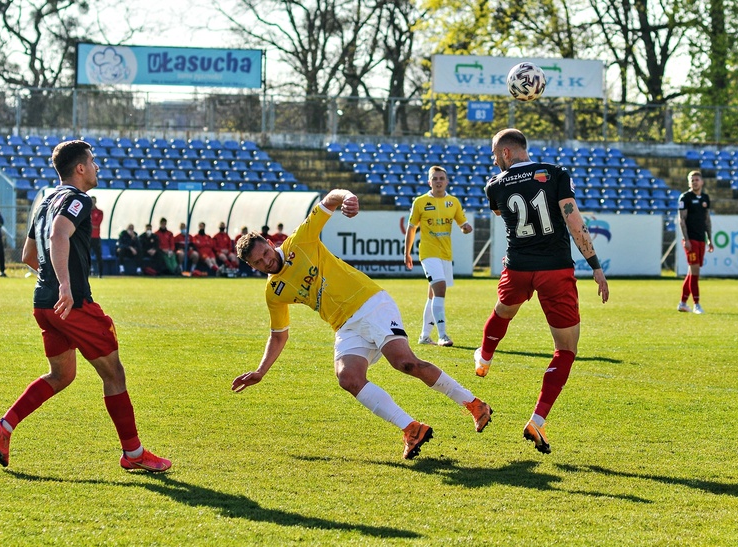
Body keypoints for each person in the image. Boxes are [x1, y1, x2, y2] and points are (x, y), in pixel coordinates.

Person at [232, 189, 492, 460]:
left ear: (270, 242)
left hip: (370, 303)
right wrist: (261, 371)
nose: (266, 261)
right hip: (344, 325)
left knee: (405, 363)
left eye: (265, 253)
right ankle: (412, 428)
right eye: (258, 262)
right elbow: (278, 336)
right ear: (252, 266)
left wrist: (347, 197)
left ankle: (474, 404)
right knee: (348, 378)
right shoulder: (274, 291)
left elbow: (330, 198)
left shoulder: (300, 241)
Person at [0, 139, 170, 472]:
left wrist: (55, 285)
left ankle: (5, 427)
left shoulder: (44, 201)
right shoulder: (78, 198)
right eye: (93, 161)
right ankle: (134, 454)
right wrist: (66, 286)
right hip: (72, 304)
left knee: (62, 374)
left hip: (44, 303)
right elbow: (59, 235)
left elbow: (28, 255)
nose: (97, 167)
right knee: (114, 374)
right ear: (80, 168)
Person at [476, 128, 609, 455]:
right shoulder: (555, 173)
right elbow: (574, 221)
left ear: (506, 153)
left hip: (518, 267)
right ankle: (537, 419)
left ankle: (484, 357)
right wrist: (595, 264)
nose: (494, 161)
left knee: (503, 312)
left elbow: (503, 215)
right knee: (566, 349)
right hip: (555, 270)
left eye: (495, 155)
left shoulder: (494, 185)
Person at [404, 166, 473, 347]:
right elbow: (411, 228)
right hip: (428, 252)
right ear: (429, 182)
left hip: (445, 254)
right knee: (440, 288)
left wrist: (466, 228)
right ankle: (443, 335)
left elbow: (462, 223)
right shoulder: (420, 202)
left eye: (441, 178)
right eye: (435, 178)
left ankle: (424, 336)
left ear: (447, 181)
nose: (438, 181)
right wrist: (407, 253)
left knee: (433, 295)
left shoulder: (453, 202)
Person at [678, 170, 714, 314]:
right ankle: (696, 304)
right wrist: (686, 239)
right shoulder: (685, 197)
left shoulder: (705, 198)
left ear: (702, 182)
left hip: (701, 239)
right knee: (695, 271)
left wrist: (710, 239)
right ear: (689, 182)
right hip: (691, 239)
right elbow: (681, 219)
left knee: (691, 272)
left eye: (697, 180)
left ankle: (682, 303)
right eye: (692, 180)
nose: (694, 182)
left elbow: (707, 220)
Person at [90, 196, 104, 278]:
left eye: (93, 201)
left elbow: (97, 223)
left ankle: (100, 273)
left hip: (96, 237)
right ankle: (86, 273)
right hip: (87, 237)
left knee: (99, 256)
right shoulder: (86, 211)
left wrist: (90, 225)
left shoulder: (99, 212)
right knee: (85, 256)